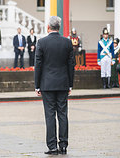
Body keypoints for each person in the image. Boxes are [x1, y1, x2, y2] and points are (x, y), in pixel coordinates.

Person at [35, 16, 74, 155]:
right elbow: (71, 65)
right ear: (59, 27)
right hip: (63, 83)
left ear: (48, 27)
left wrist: (37, 85)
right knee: (63, 114)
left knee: (50, 115)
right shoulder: (67, 42)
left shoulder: (42, 42)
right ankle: (63, 145)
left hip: (47, 84)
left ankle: (52, 146)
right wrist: (70, 85)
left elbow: (38, 65)